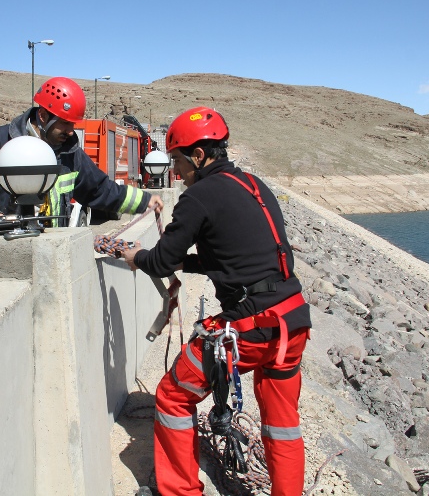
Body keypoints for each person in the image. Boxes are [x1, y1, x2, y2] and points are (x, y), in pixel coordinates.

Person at [122, 107, 311, 496]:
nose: (175, 172)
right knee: (282, 422)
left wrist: (134, 257)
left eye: (176, 160)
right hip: (291, 322)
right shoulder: (252, 184)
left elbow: (160, 260)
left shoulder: (200, 197)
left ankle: (180, 491)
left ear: (198, 156)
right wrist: (188, 263)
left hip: (251, 328)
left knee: (174, 396)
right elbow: (231, 256)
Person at [0, 76, 163, 225]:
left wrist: (145, 201)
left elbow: (99, 190)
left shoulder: (70, 153)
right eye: (65, 124)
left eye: (74, 124)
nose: (71, 132)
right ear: (43, 115)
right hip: (2, 253)